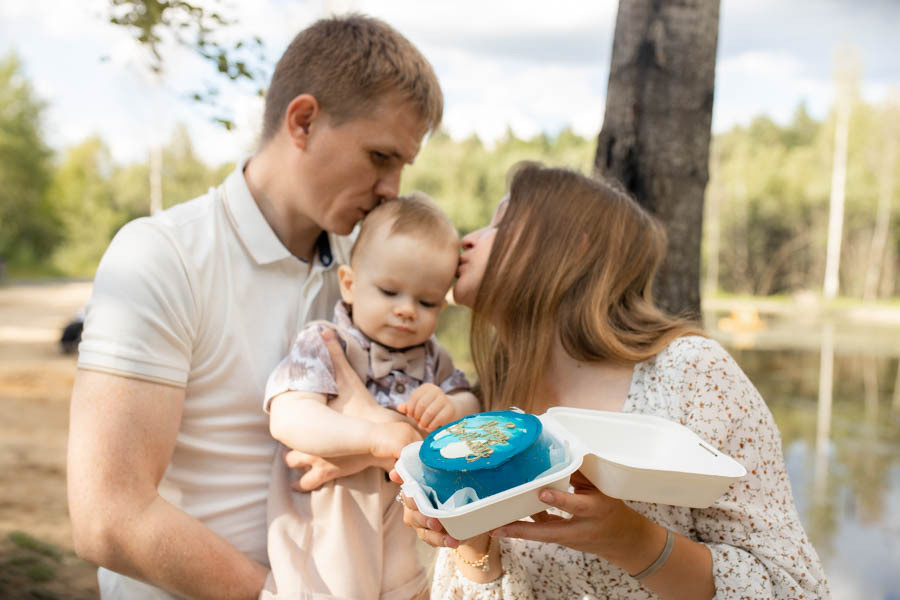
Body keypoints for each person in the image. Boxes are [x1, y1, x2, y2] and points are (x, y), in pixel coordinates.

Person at [66, 14, 443, 600]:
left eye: (401, 166)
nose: (393, 188)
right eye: (379, 157)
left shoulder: (373, 273)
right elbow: (107, 516)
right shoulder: (162, 257)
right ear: (304, 121)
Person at [343, 163, 828, 599]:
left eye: (500, 223)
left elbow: (793, 587)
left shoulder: (692, 375)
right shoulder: (492, 410)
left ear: (575, 247)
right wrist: (470, 541)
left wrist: (634, 541)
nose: (468, 238)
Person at [261, 193, 479, 599]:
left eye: (426, 301)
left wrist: (450, 407)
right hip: (331, 524)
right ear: (349, 283)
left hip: (404, 526)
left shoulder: (435, 360)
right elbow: (289, 416)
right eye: (390, 292)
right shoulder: (326, 343)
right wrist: (371, 438)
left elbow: (472, 408)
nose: (407, 310)